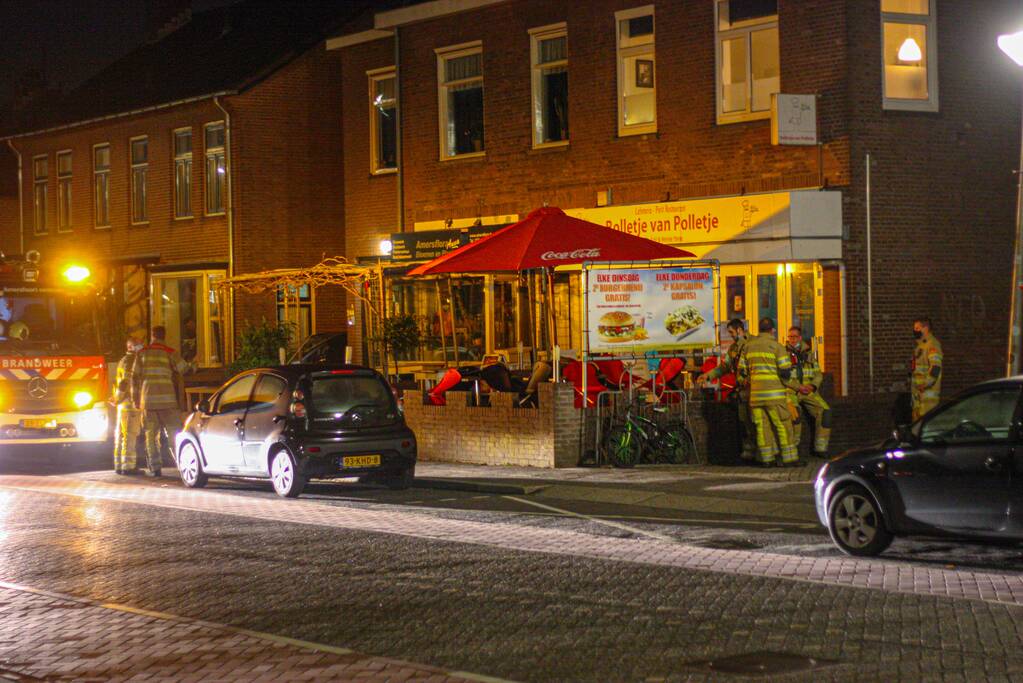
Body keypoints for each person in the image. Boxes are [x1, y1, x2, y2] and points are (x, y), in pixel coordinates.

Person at [738, 317, 800, 467]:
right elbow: (785, 373)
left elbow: (742, 371)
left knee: (761, 427)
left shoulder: (748, 347)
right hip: (775, 396)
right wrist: (797, 386)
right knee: (783, 426)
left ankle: (767, 460)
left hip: (756, 397)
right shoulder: (777, 347)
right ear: (772, 330)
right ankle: (789, 459)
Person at [133, 326, 191, 477]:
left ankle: (155, 468)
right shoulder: (170, 352)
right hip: (168, 402)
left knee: (151, 435)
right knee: (174, 434)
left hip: (148, 402)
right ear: (164, 336)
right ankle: (182, 465)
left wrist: (136, 399)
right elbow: (185, 369)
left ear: (152, 336)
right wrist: (195, 365)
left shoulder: (142, 353)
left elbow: (134, 377)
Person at [696, 318, 755, 461]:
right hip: (742, 391)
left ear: (740, 330)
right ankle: (750, 454)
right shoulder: (734, 348)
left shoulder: (754, 344)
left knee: (756, 423)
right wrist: (708, 376)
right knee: (745, 423)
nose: (730, 335)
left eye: (731, 332)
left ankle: (762, 455)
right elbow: (725, 367)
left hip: (755, 390)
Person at [785, 326, 831, 458]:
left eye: (794, 337)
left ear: (800, 338)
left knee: (825, 411)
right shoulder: (783, 354)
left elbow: (818, 374)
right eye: (790, 337)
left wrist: (812, 385)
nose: (792, 340)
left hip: (808, 390)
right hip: (791, 391)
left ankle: (821, 448)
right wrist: (797, 387)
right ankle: (794, 449)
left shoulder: (809, 354)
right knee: (795, 414)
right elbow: (782, 376)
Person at [113, 337, 142, 475]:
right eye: (138, 344)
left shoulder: (123, 360)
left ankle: (119, 464)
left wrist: (117, 399)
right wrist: (117, 398)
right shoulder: (132, 360)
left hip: (122, 405)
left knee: (121, 435)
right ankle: (128, 467)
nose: (141, 346)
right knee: (130, 435)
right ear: (131, 346)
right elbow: (125, 382)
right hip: (130, 404)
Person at [911, 317, 943, 421]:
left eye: (917, 328)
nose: (915, 330)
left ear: (925, 328)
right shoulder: (920, 347)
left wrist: (924, 385)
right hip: (918, 399)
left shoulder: (932, 345)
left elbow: (935, 368)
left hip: (928, 399)